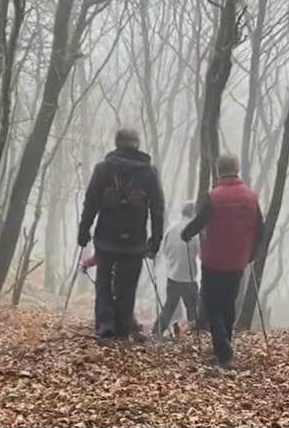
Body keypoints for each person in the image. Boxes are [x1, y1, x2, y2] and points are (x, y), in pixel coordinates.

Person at [78, 127, 164, 339]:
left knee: (104, 279)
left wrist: (84, 230)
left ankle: (105, 323)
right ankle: (123, 325)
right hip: (135, 241)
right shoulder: (149, 173)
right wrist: (156, 239)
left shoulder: (103, 170)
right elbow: (157, 207)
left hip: (106, 238)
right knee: (128, 283)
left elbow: (91, 202)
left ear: (117, 143)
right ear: (137, 144)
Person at [181, 153, 263, 368]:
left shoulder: (214, 196)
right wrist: (252, 253)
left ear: (218, 171)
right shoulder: (251, 197)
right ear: (237, 170)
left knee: (212, 306)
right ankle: (224, 343)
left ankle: (223, 351)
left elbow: (200, 221)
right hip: (238, 261)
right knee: (228, 304)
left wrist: (186, 233)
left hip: (213, 261)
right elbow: (261, 228)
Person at [153, 201, 200, 336]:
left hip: (173, 275)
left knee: (169, 306)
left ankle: (157, 331)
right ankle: (194, 335)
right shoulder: (194, 230)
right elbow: (199, 252)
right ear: (194, 213)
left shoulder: (171, 228)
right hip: (189, 277)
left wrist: (172, 263)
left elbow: (165, 250)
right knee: (192, 309)